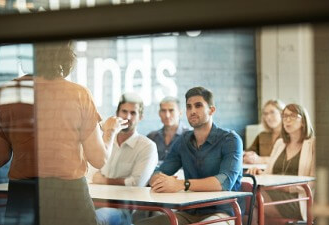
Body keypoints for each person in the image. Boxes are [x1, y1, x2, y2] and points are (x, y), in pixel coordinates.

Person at [0, 41, 127, 225]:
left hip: (23, 196)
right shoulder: (79, 95)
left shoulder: (5, 94)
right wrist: (110, 132)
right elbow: (99, 159)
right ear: (65, 56)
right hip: (70, 196)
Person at [135, 86, 243, 225]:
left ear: (211, 110)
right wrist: (161, 181)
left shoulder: (231, 140)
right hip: (188, 212)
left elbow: (224, 182)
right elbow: (158, 171)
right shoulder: (183, 141)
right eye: (189, 107)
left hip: (222, 213)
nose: (192, 111)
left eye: (198, 106)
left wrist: (181, 184)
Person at [93, 93, 158, 225]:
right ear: (117, 113)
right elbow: (91, 175)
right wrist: (119, 181)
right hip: (95, 202)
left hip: (122, 210)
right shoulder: (105, 141)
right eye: (124, 111)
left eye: (133, 113)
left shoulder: (147, 147)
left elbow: (136, 183)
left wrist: (104, 180)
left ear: (140, 117)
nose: (127, 117)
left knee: (95, 218)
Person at [247, 103, 315, 223]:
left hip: (300, 199)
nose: (287, 120)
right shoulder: (280, 143)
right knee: (249, 198)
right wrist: (259, 173)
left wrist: (285, 188)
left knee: (251, 198)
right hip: (273, 193)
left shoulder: (312, 144)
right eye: (284, 116)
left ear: (303, 121)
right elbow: (269, 173)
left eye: (292, 116)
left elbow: (313, 182)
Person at [147, 96, 189, 161]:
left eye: (171, 110)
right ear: (159, 113)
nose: (167, 115)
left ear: (180, 113)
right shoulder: (152, 137)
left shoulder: (190, 137)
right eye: (163, 111)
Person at [244, 99, 285, 164]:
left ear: (282, 114)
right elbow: (248, 152)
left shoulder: (290, 136)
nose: (268, 117)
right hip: (260, 171)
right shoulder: (262, 135)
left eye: (272, 112)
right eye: (265, 114)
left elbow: (288, 161)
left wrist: (261, 160)